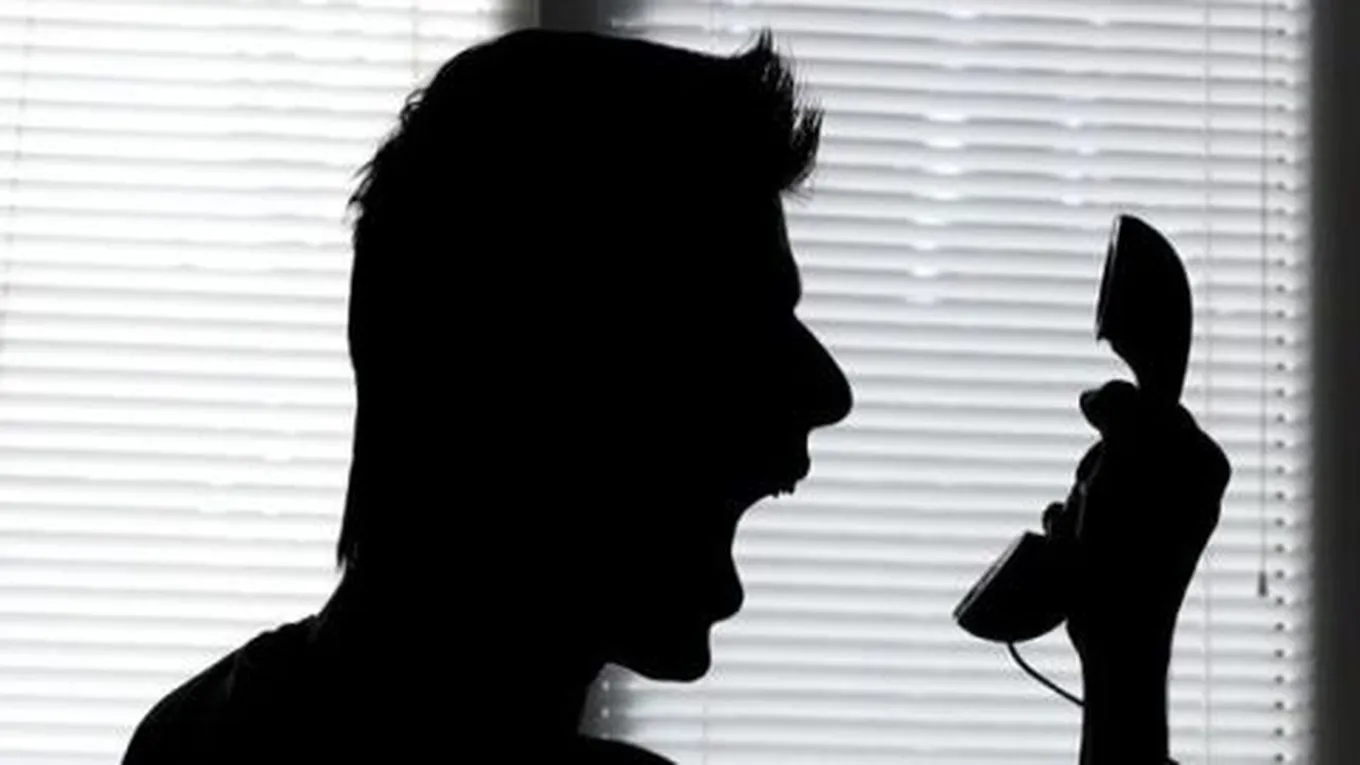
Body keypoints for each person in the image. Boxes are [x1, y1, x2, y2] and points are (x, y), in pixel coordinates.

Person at [120, 28, 1229, 764]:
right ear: (551, 368)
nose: (826, 390)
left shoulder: (205, 737)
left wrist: (1121, 651)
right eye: (743, 320)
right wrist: (1128, 673)